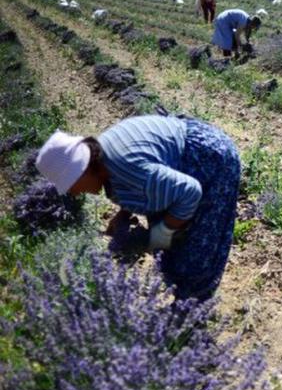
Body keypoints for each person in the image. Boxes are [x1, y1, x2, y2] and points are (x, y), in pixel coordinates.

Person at [35, 114, 240, 301]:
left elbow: (190, 192)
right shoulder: (104, 158)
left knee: (197, 246)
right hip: (185, 152)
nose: (74, 193)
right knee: (169, 240)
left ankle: (194, 310)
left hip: (211, 158)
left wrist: (164, 231)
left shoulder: (128, 168)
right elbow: (139, 178)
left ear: (83, 170)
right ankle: (183, 301)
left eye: (71, 186)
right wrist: (124, 213)